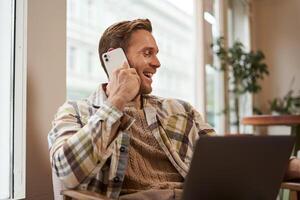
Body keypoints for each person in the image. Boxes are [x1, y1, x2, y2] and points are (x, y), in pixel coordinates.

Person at [48, 19, 300, 200]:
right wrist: (117, 101)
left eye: (156, 53)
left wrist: (287, 166)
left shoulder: (181, 111)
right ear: (116, 59)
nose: (157, 63)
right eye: (148, 53)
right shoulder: (76, 112)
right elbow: (66, 173)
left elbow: (227, 163)